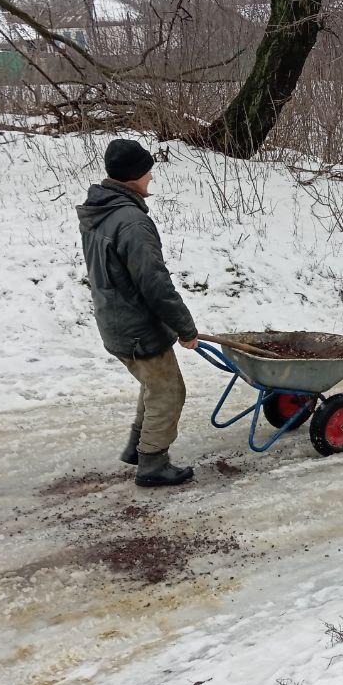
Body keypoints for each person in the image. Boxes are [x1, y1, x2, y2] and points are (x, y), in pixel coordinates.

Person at [78, 139, 199, 486]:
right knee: (168, 392)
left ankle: (138, 447)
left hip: (115, 319)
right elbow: (155, 284)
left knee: (153, 385)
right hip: (137, 327)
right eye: (148, 170)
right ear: (133, 176)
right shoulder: (131, 222)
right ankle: (152, 464)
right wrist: (185, 328)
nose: (151, 176)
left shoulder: (100, 211)